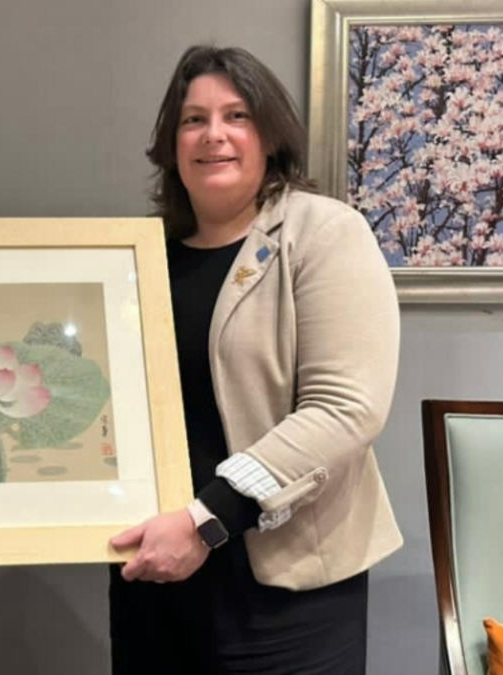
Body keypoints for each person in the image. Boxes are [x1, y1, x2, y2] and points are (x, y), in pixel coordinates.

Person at [108, 45, 402, 674]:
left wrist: (207, 519)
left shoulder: (324, 233)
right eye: (193, 119)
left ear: (269, 136)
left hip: (286, 592)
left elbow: (346, 408)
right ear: (171, 145)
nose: (213, 134)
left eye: (236, 116)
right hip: (153, 580)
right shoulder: (138, 259)